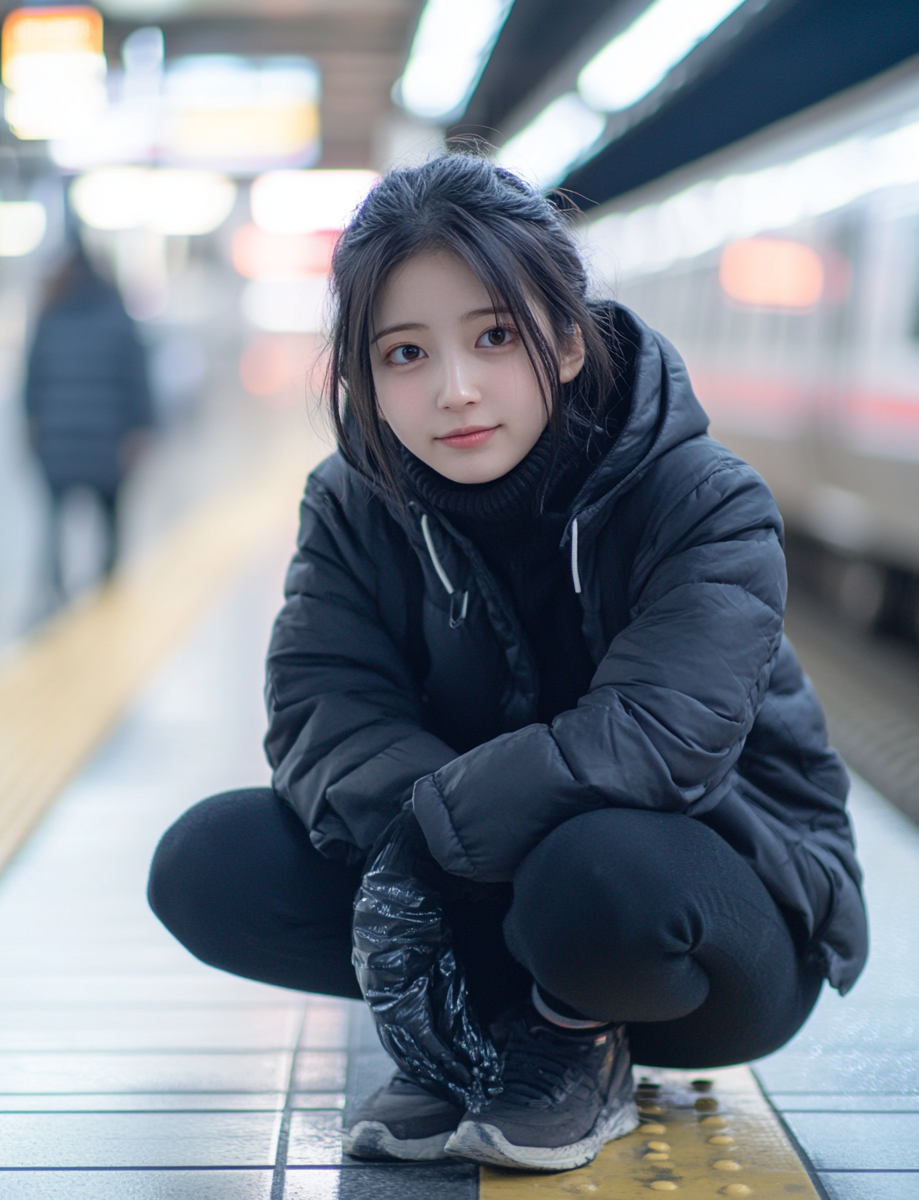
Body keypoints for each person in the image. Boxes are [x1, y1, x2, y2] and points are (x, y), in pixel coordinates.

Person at [147, 153, 867, 1173]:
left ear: (566, 338)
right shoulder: (352, 507)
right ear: (362, 378)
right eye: (404, 354)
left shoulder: (704, 500)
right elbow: (320, 711)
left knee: (593, 874)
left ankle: (576, 1042)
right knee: (208, 864)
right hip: (486, 906)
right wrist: (434, 861)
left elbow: (663, 742)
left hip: (693, 929)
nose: (454, 390)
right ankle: (479, 1034)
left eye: (494, 336)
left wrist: (436, 835)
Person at [25, 244, 153, 597]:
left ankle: (54, 589)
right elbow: (137, 377)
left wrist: (32, 425)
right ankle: (109, 586)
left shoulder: (49, 312)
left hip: (57, 443)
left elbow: (31, 378)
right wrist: (142, 427)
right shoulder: (117, 313)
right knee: (110, 520)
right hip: (108, 443)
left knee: (54, 522)